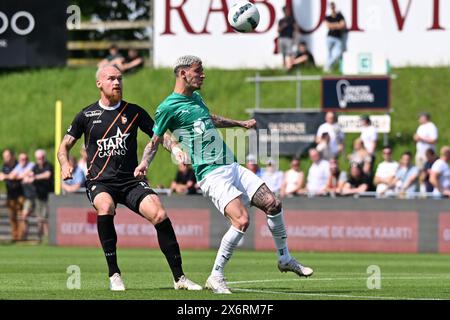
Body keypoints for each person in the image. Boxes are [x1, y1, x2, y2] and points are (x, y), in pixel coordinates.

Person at [134, 55, 313, 294]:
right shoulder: (168, 107)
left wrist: (239, 123)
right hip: (211, 174)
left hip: (232, 166)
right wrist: (144, 163)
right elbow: (155, 140)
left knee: (273, 203)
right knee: (241, 221)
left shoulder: (196, 98)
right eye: (198, 71)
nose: (203, 75)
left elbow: (211, 119)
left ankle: (284, 258)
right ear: (183, 74)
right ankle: (216, 276)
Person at [57, 65, 201, 291]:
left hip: (131, 180)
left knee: (160, 214)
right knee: (105, 207)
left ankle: (179, 278)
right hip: (100, 181)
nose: (117, 83)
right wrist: (65, 165)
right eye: (111, 79)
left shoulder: (133, 112)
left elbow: (159, 134)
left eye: (120, 79)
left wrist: (174, 148)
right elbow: (63, 146)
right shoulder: (86, 115)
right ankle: (114, 274)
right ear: (99, 84)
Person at [10, 152, 35, 241]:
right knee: (24, 216)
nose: (23, 161)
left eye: (24, 159)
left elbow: (23, 175)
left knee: (42, 217)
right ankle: (24, 237)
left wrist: (18, 176)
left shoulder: (32, 165)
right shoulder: (19, 166)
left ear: (27, 159)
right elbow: (11, 175)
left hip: (35, 195)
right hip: (27, 196)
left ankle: (44, 237)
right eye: (21, 159)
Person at [0, 149, 24, 242]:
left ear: (12, 156)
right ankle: (15, 237)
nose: (5, 158)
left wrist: (6, 176)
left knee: (20, 216)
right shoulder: (5, 166)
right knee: (12, 217)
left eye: (7, 156)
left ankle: (21, 238)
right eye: (4, 156)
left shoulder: (18, 165)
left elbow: (13, 176)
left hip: (20, 194)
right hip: (10, 195)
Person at [30, 149, 53, 243]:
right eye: (39, 158)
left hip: (48, 196)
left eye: (42, 158)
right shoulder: (35, 167)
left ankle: (47, 238)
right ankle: (39, 237)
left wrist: (34, 177)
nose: (40, 160)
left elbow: (47, 175)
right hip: (38, 196)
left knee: (45, 217)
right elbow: (29, 173)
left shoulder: (48, 165)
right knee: (39, 218)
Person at [324, 2, 347, 72]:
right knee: (329, 54)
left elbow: (342, 25)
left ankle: (327, 65)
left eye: (333, 7)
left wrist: (333, 25)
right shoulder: (328, 17)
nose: (333, 8)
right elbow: (328, 26)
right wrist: (337, 24)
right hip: (329, 37)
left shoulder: (340, 16)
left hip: (338, 37)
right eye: (331, 7)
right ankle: (328, 69)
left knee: (338, 53)